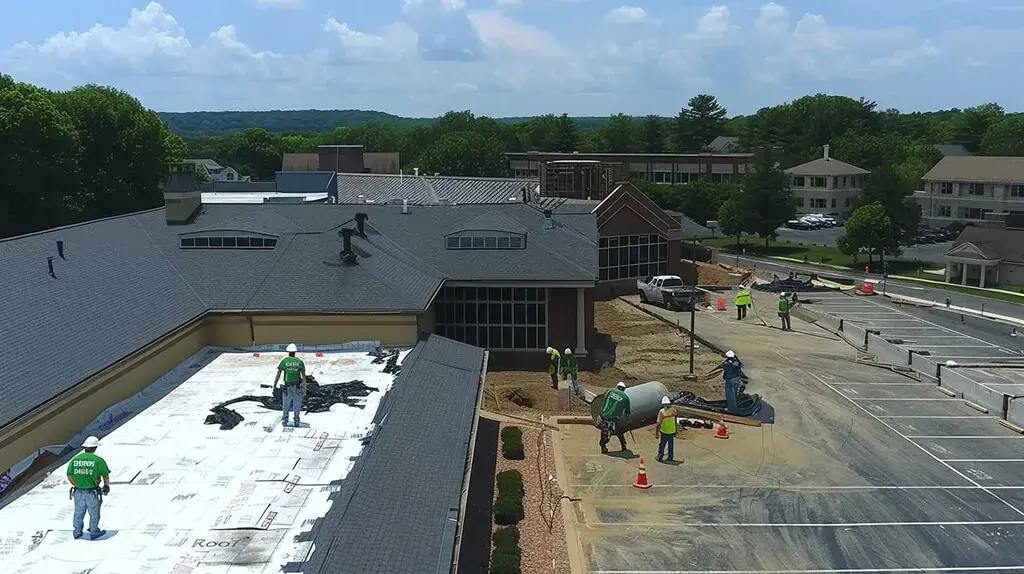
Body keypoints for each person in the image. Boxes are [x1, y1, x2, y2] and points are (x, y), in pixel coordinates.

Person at [67, 435, 110, 540]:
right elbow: (105, 475)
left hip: (78, 491)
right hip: (92, 492)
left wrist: (76, 484)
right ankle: (94, 531)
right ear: (95, 448)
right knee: (94, 512)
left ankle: (77, 532)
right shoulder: (98, 460)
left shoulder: (75, 460)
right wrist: (106, 486)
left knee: (78, 512)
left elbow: (69, 475)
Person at [273, 343, 307, 427]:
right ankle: (296, 421)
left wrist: (275, 385)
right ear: (295, 352)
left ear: (288, 352)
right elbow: (303, 377)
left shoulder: (284, 361)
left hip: (287, 387)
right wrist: (304, 388)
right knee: (297, 405)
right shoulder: (299, 361)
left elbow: (278, 373)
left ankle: (285, 421)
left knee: (286, 405)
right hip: (297, 387)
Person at [598, 382, 631, 454]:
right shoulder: (625, 398)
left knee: (605, 433)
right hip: (614, 419)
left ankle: (603, 446)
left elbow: (604, 400)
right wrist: (628, 421)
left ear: (617, 387)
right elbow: (627, 411)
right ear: (624, 389)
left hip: (604, 416)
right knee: (619, 431)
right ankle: (624, 445)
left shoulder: (610, 391)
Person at [655, 396, 678, 463]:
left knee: (662, 445)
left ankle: (660, 456)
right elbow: (675, 420)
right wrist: (676, 430)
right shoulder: (674, 410)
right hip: (671, 431)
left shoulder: (662, 411)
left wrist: (656, 433)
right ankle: (670, 458)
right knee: (671, 446)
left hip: (664, 431)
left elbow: (658, 423)